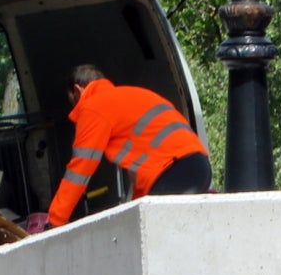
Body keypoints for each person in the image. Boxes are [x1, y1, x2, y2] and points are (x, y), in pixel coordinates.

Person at [23, 65, 210, 232]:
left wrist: (55, 221)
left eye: (72, 101)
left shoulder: (93, 106)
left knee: (157, 239)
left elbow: (80, 169)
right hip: (199, 167)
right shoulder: (131, 96)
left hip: (173, 173)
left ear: (78, 90)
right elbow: (141, 175)